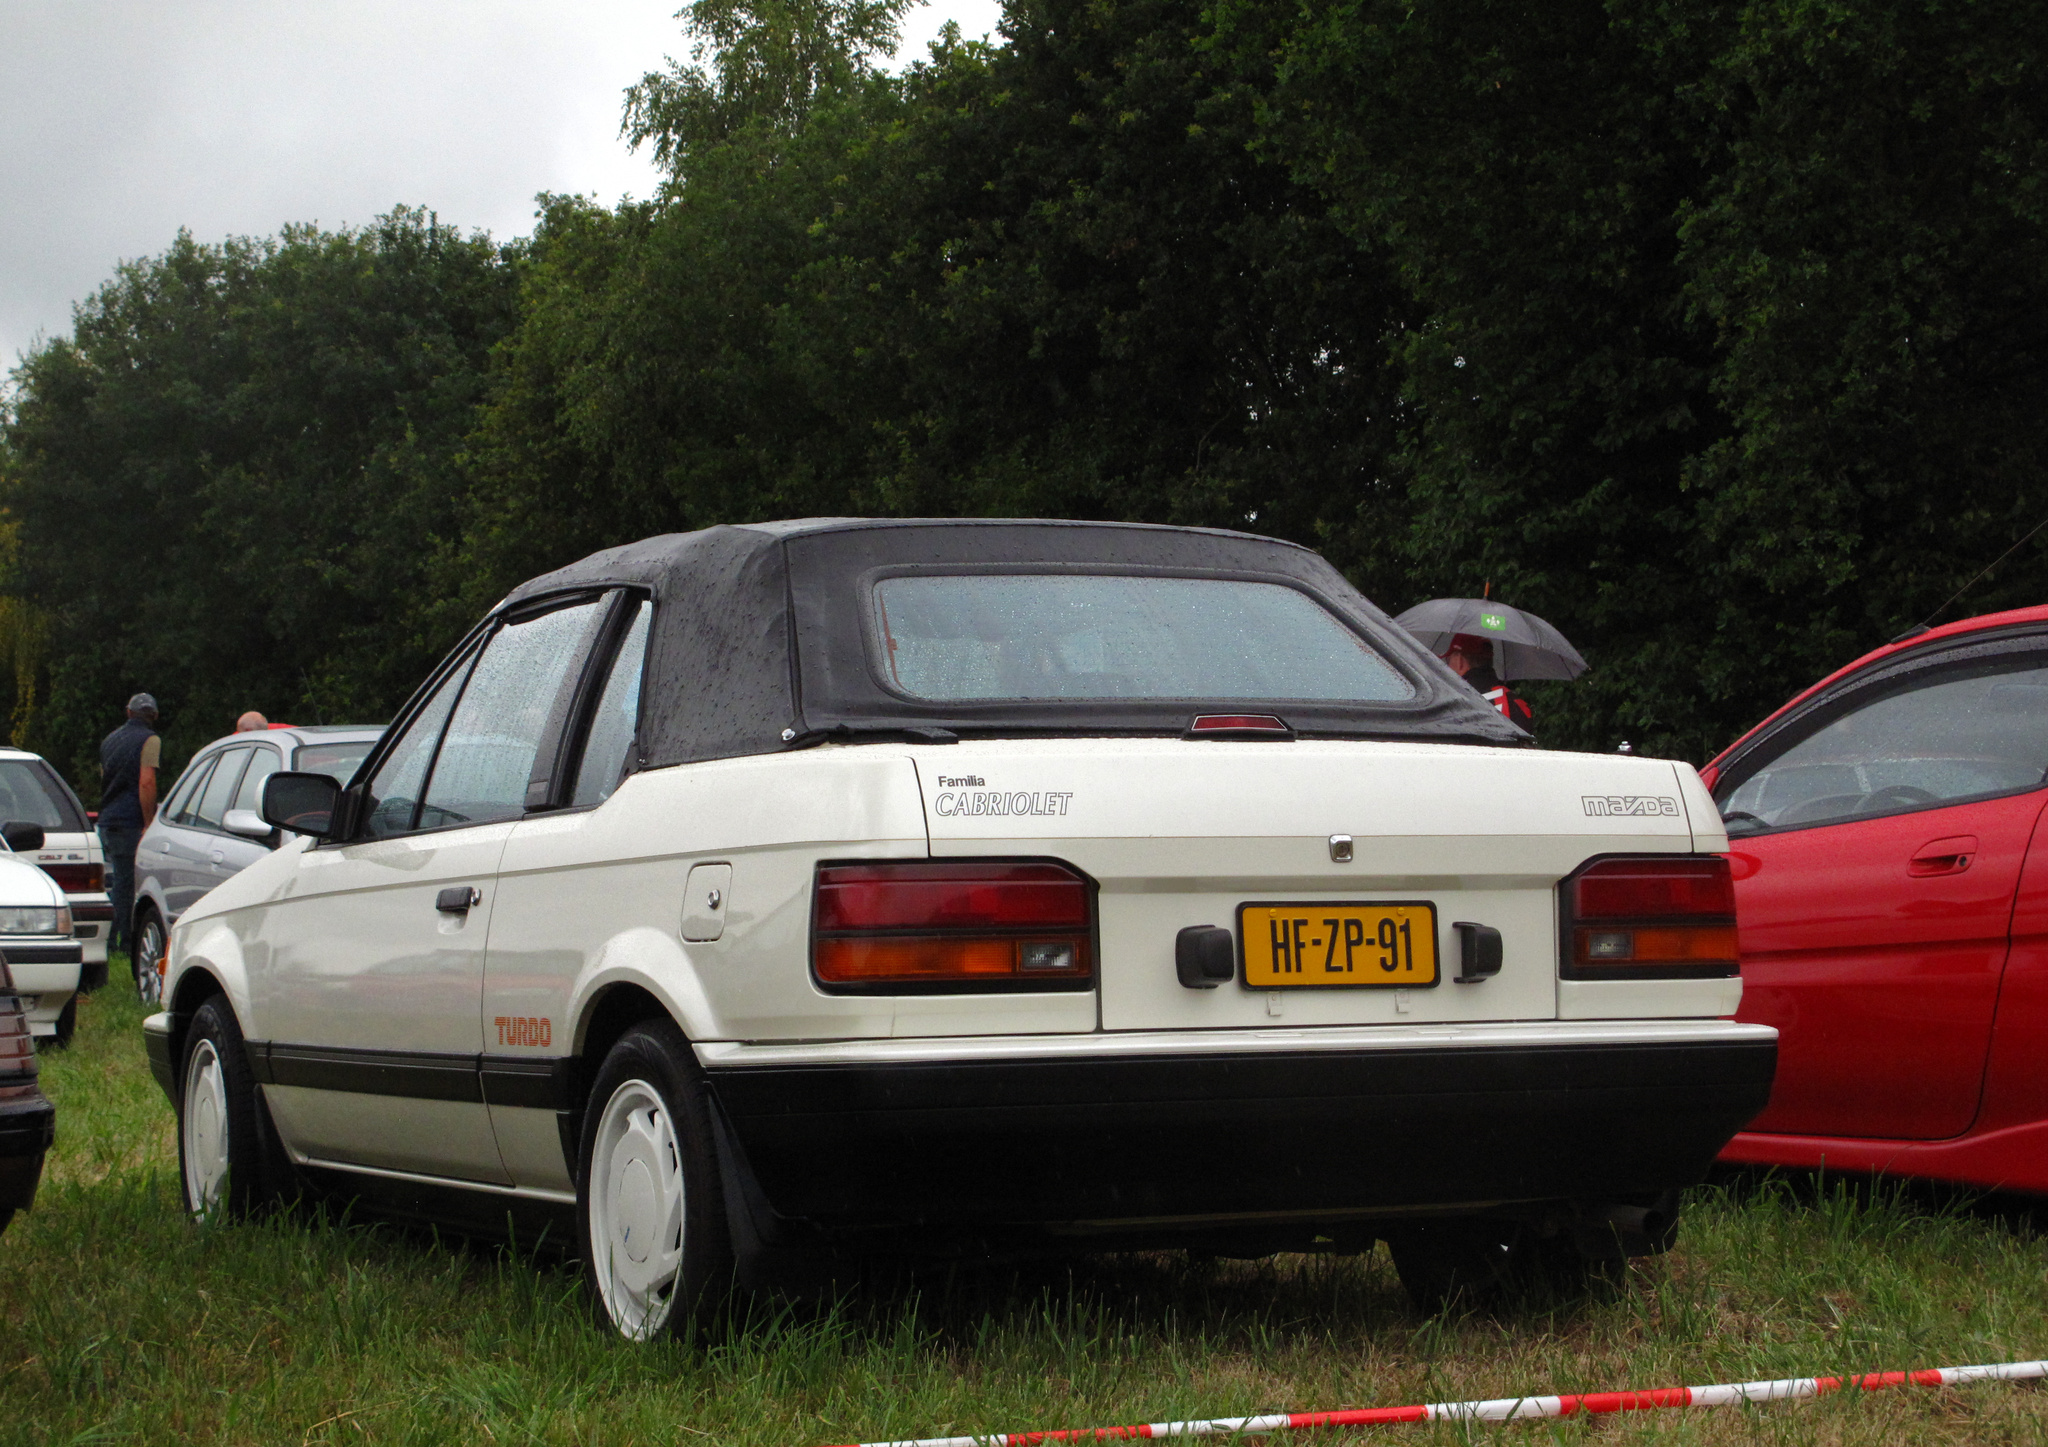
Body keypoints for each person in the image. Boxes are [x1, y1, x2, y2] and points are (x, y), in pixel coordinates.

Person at [98, 692, 161, 960]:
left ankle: (112, 940)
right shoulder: (150, 740)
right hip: (128, 821)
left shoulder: (109, 740)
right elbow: (146, 782)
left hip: (106, 819)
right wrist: (148, 822)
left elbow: (105, 778)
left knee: (115, 882)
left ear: (128, 712)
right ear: (153, 716)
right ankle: (120, 943)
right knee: (125, 886)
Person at [1443, 633, 1535, 730]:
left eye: (1448, 661)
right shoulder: (1519, 705)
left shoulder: (1457, 706)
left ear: (1459, 661)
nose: (1447, 667)